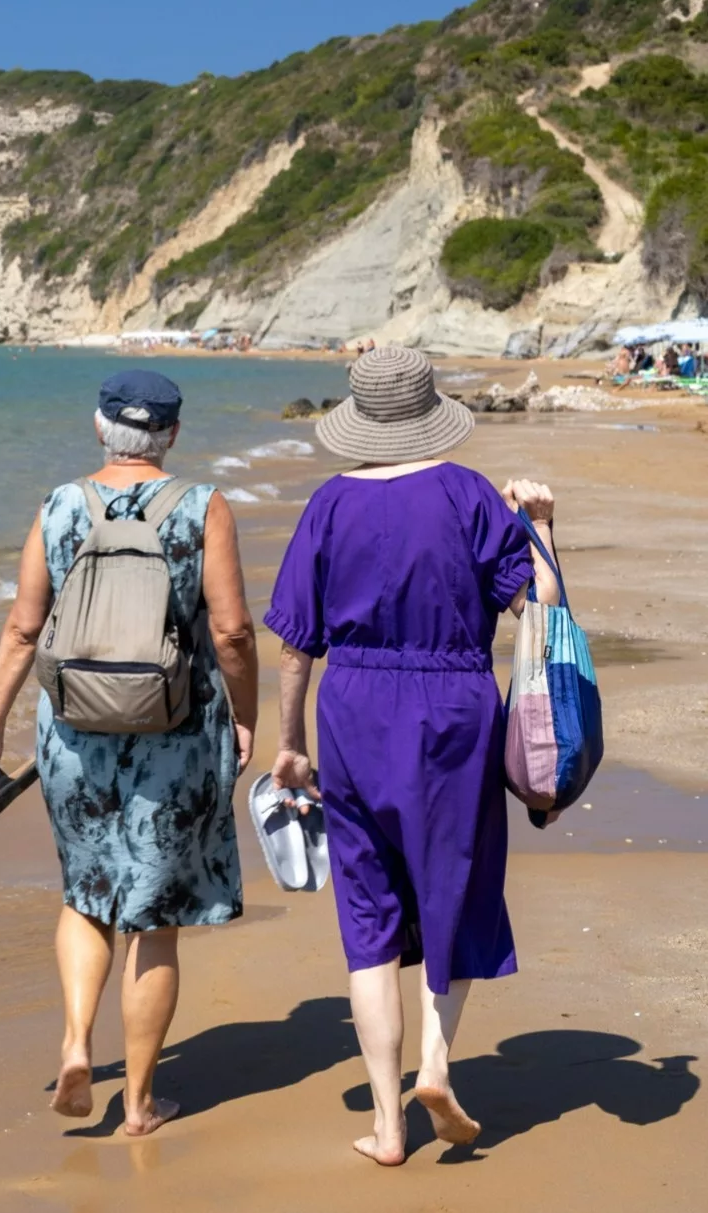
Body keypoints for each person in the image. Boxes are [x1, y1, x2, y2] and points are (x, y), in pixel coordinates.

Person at [265, 345, 561, 1166]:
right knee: (455, 884)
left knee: (367, 915)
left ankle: (388, 1125)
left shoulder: (327, 503)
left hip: (352, 709)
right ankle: (435, 1066)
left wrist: (290, 743)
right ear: (430, 411)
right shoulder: (467, 493)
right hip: (453, 703)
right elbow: (537, 612)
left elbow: (294, 645)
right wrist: (538, 526)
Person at [0, 369, 258, 1135]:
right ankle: (140, 1102)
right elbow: (229, 632)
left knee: (85, 894)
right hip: (176, 734)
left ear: (99, 426)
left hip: (72, 734)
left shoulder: (59, 504)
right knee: (152, 917)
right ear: (172, 433)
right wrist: (245, 718)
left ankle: (73, 1044)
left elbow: (24, 629)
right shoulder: (201, 507)